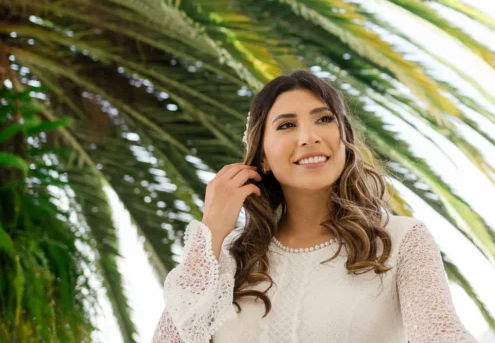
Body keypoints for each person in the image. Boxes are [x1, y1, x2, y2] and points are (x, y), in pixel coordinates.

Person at [152, 70, 476, 343]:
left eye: (323, 119)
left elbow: (441, 334)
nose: (309, 137)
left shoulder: (400, 240)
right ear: (262, 156)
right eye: (286, 125)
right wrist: (210, 234)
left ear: (344, 138)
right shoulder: (228, 258)